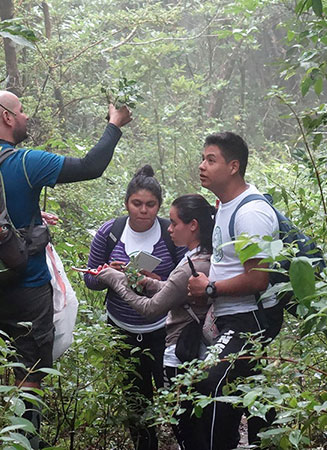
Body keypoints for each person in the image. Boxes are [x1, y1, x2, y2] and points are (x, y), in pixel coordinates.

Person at [0, 90, 131, 448]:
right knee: (30, 374)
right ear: (8, 118)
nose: (26, 117)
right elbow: (91, 166)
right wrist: (114, 124)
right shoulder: (26, 162)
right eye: (22, 111)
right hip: (27, 289)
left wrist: (31, 215)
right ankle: (26, 442)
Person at [93, 194, 216, 449]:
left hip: (180, 348)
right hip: (185, 347)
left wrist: (117, 281)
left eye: (173, 223)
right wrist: (145, 282)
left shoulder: (193, 264)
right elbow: (172, 288)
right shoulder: (201, 256)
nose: (168, 228)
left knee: (185, 427)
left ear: (192, 225)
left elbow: (151, 309)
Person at [187, 131, 284, 449]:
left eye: (210, 159)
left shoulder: (249, 213)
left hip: (249, 320)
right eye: (202, 158)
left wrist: (210, 288)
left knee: (210, 387)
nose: (202, 165)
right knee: (247, 393)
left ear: (233, 166)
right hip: (233, 319)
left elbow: (258, 279)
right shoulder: (227, 206)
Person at [84, 165, 185, 450]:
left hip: (164, 329)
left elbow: (188, 277)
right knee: (135, 398)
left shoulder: (170, 233)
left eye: (150, 205)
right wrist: (109, 274)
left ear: (159, 206)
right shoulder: (110, 233)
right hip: (121, 329)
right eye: (137, 203)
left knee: (173, 391)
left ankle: (184, 441)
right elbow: (89, 280)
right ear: (127, 203)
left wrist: (158, 281)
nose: (143, 210)